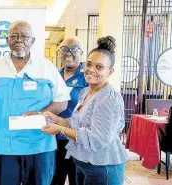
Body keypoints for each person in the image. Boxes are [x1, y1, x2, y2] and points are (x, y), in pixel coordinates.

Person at [0, 20, 71, 185]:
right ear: (7, 40)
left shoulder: (46, 67)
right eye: (14, 36)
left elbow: (62, 100)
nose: (19, 40)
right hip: (6, 145)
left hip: (40, 145)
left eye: (24, 36)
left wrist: (42, 113)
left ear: (33, 41)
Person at [42, 36, 128, 185]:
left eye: (99, 67)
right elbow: (78, 123)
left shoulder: (108, 96)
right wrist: (58, 120)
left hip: (103, 167)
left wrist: (61, 129)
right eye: (89, 64)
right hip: (84, 163)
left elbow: (96, 138)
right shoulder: (86, 91)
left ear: (111, 71)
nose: (91, 70)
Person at [52, 36, 89, 185]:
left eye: (74, 49)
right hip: (56, 139)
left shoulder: (87, 75)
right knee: (55, 179)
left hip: (78, 140)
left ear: (81, 52)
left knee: (77, 180)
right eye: (64, 49)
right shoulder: (54, 75)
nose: (68, 53)